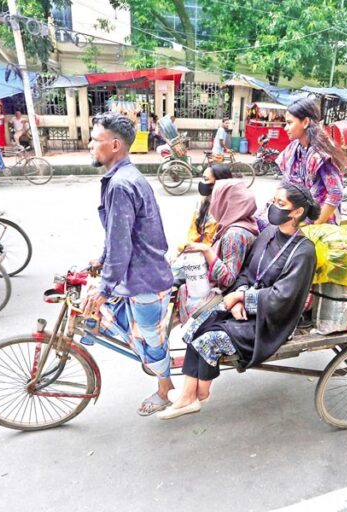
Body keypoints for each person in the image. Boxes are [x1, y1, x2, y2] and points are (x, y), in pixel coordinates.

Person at [159, 183, 319, 419]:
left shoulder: (304, 252)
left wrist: (242, 297)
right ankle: (189, 395)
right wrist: (238, 299)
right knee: (197, 322)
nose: (273, 207)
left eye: (281, 204)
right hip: (246, 307)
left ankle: (198, 395)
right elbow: (245, 272)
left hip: (270, 321)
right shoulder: (267, 235)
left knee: (209, 338)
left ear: (296, 212)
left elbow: (283, 297)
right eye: (273, 200)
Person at [83, 112, 176, 416]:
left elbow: (121, 243)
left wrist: (105, 288)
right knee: (137, 332)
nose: (89, 145)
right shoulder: (124, 177)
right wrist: (102, 258)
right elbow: (117, 232)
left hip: (145, 279)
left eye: (95, 140)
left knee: (152, 343)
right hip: (139, 272)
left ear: (114, 145)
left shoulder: (121, 184)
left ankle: (165, 390)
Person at [175, 178, 259, 325]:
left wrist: (207, 251)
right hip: (220, 287)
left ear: (226, 203)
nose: (212, 204)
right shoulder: (242, 222)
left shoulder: (235, 234)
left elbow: (227, 280)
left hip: (223, 294)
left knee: (177, 288)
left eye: (216, 199)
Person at [276, 97, 347, 225]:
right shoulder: (293, 149)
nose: (285, 128)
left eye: (289, 123)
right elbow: (286, 181)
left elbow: (336, 193)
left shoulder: (320, 154)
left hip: (319, 219)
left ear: (305, 122)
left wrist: (314, 226)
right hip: (298, 214)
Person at [182, 163, 233, 248]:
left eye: (206, 179)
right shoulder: (203, 203)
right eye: (203, 178)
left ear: (219, 183)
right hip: (200, 250)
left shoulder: (231, 210)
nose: (202, 183)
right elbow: (193, 234)